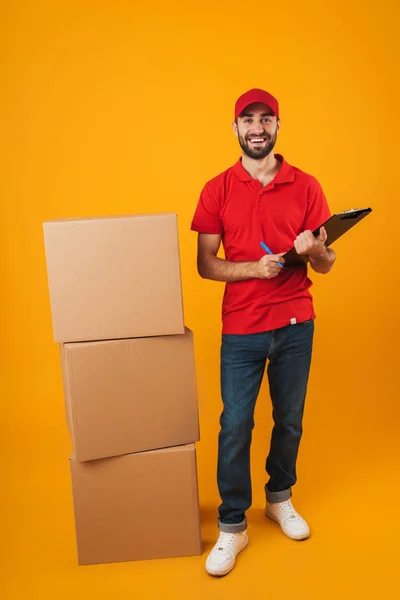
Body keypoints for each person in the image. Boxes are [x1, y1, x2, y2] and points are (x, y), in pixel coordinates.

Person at [191, 88, 336, 577]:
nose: (257, 128)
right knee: (235, 425)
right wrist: (254, 269)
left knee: (289, 419)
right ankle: (233, 525)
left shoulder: (307, 184)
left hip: (297, 322)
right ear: (235, 127)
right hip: (243, 328)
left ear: (278, 125)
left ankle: (279, 497)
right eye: (248, 120)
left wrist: (313, 249)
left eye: (266, 119)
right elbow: (206, 265)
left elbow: (329, 262)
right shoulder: (217, 188)